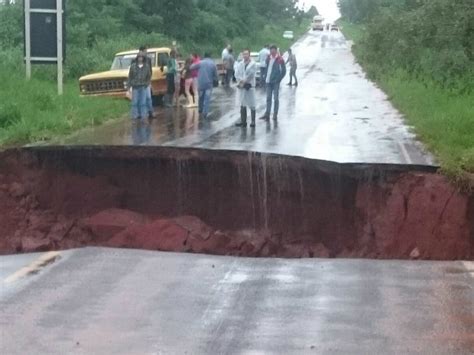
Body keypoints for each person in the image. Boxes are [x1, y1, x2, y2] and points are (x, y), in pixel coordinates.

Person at [260, 44, 286, 121]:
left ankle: (275, 114)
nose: (271, 51)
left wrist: (278, 79)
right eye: (270, 50)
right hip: (268, 81)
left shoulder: (280, 59)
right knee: (268, 98)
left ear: (275, 50)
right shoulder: (268, 58)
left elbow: (284, 71)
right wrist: (264, 77)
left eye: (273, 50)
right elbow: (267, 68)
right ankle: (267, 114)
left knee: (275, 98)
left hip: (275, 82)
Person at [190, 52, 218, 119]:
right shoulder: (213, 64)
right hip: (209, 84)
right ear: (210, 56)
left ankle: (200, 109)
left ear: (204, 56)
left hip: (201, 83)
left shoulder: (200, 63)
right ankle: (205, 113)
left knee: (201, 97)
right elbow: (216, 75)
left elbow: (191, 67)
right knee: (207, 98)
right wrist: (216, 80)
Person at [235, 49, 257, 128]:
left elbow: (251, 74)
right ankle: (243, 121)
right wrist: (240, 81)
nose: (245, 55)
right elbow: (237, 73)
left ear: (249, 55)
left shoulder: (253, 64)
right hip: (242, 86)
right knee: (242, 103)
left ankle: (253, 121)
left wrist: (245, 81)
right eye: (244, 54)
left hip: (250, 86)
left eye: (246, 54)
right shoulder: (240, 64)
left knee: (252, 104)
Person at [127, 53, 152, 122]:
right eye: (139, 57)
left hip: (143, 86)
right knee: (135, 102)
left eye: (141, 57)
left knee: (143, 102)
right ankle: (135, 116)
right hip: (135, 87)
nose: (140, 58)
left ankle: (143, 116)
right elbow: (130, 77)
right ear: (137, 58)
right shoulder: (133, 66)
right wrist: (128, 87)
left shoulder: (146, 67)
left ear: (143, 58)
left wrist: (147, 84)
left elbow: (149, 76)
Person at [134, 46, 155, 118]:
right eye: (145, 51)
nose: (146, 52)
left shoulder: (148, 60)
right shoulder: (135, 61)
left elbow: (150, 71)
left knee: (148, 97)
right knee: (140, 98)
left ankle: (150, 112)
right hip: (138, 82)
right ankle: (139, 113)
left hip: (146, 82)